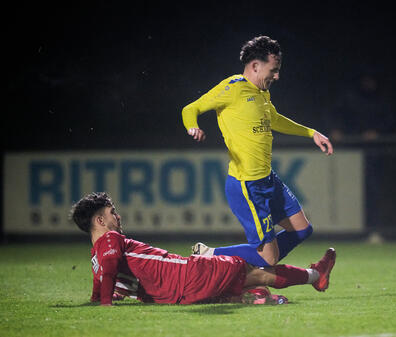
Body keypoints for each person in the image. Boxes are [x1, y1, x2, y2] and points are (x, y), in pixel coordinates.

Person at [181, 35, 334, 267]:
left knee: (303, 230)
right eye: (274, 70)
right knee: (269, 258)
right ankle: (209, 255)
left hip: (268, 180)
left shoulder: (262, 93)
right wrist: (192, 126)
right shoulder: (231, 88)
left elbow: (275, 120)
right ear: (255, 65)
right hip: (247, 185)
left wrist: (311, 133)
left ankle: (256, 267)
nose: (277, 76)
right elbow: (190, 108)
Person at [71, 192, 336, 306]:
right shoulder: (110, 240)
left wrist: (99, 299)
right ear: (100, 221)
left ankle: (258, 298)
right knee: (257, 268)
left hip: (173, 295)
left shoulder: (96, 255)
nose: (117, 217)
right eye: (112, 213)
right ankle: (315, 276)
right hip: (187, 274)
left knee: (246, 280)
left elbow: (109, 279)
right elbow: (109, 274)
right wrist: (105, 303)